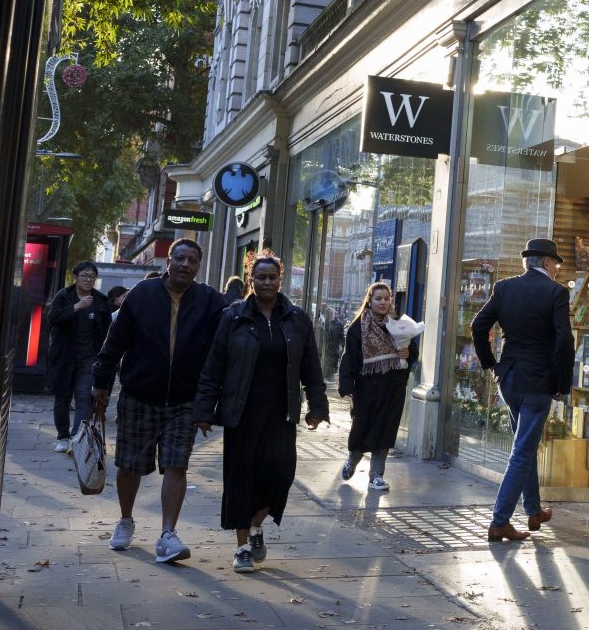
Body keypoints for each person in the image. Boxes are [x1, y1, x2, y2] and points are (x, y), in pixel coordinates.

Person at [92, 239, 229, 564]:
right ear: (169, 261)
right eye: (179, 258)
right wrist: (100, 382)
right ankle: (126, 519)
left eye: (192, 260)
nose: (185, 264)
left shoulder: (209, 300)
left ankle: (168, 534)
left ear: (198, 265)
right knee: (129, 466)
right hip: (140, 394)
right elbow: (116, 341)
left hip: (184, 400)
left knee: (177, 464)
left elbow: (233, 324)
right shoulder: (142, 294)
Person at [192, 254, 328, 573]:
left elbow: (311, 368)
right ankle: (241, 547)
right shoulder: (233, 316)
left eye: (272, 277)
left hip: (282, 413)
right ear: (250, 279)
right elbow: (214, 366)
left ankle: (255, 525)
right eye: (260, 277)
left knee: (280, 476)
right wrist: (203, 410)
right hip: (241, 412)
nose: (267, 283)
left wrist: (317, 407)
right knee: (240, 480)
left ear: (281, 280)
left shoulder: (296, 319)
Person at [471, 238, 573, 543]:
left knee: (523, 445)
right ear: (545, 263)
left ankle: (533, 510)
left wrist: (491, 364)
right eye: (555, 263)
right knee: (522, 450)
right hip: (538, 382)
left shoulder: (504, 288)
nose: (556, 268)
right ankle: (500, 521)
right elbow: (564, 341)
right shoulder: (556, 292)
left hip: (510, 378)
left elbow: (478, 326)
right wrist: (562, 384)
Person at [338, 281, 418, 491]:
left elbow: (413, 351)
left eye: (386, 298)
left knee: (385, 431)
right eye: (378, 298)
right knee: (361, 429)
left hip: (392, 387)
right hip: (367, 389)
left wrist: (408, 354)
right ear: (369, 301)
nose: (383, 303)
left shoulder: (399, 325)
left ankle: (376, 476)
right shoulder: (359, 327)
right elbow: (349, 358)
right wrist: (347, 386)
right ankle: (352, 461)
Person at [46, 261, 110, 452]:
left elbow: (108, 331)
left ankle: (77, 438)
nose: (88, 280)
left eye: (92, 276)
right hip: (64, 357)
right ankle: (63, 436)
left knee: (84, 397)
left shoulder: (100, 300)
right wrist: (76, 307)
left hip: (88, 358)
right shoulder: (64, 296)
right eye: (84, 276)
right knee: (62, 397)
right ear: (76, 277)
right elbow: (53, 318)